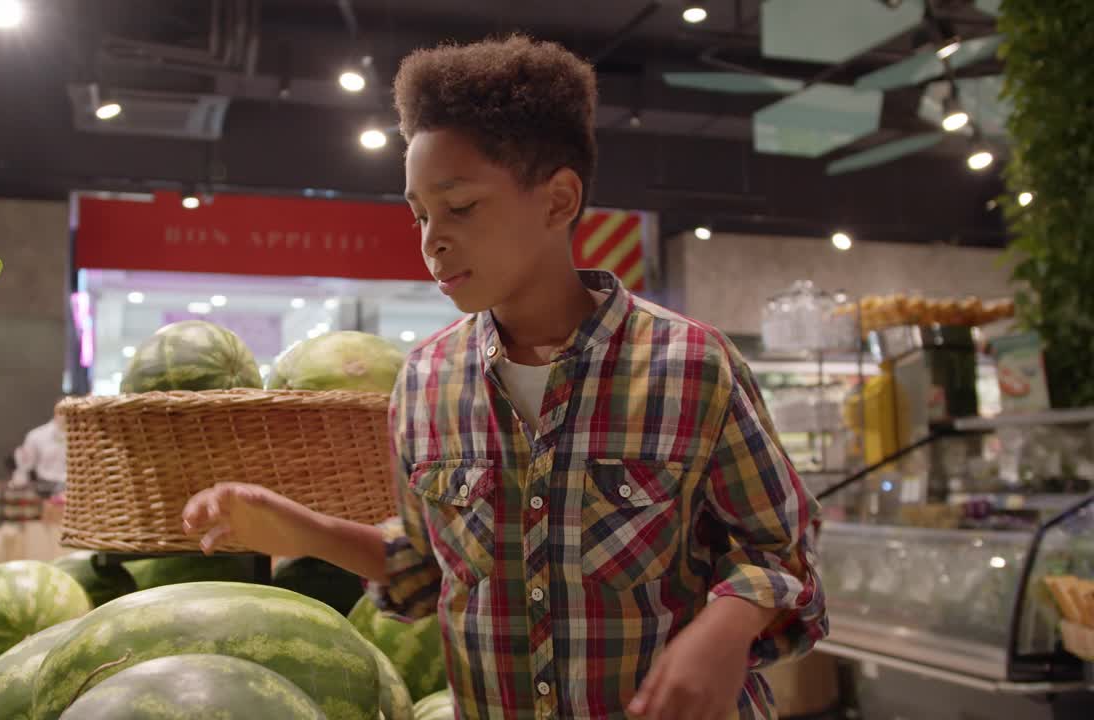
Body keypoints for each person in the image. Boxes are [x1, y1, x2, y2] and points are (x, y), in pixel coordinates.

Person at [183, 35, 826, 720]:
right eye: (419, 214)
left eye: (459, 207)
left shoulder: (692, 368)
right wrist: (305, 531)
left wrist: (725, 627)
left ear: (558, 201)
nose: (431, 238)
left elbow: (780, 554)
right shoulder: (425, 382)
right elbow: (429, 567)